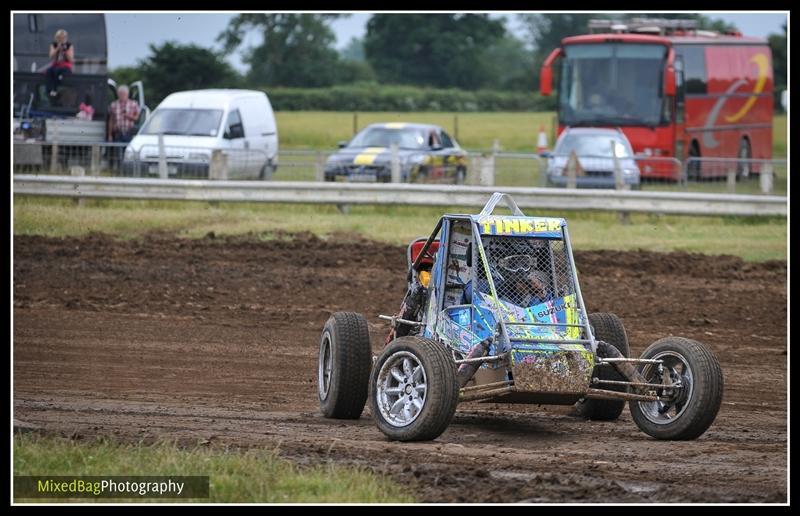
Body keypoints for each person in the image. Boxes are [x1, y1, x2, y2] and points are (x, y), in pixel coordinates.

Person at [108, 85, 141, 171]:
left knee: (128, 152)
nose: (122, 96)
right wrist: (110, 134)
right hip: (118, 132)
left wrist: (128, 116)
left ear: (127, 94)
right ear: (118, 94)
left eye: (124, 94)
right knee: (118, 153)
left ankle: (128, 170)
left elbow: (137, 118)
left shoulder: (133, 104)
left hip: (129, 132)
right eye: (120, 94)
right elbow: (111, 120)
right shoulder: (113, 105)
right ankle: (120, 170)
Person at [46, 29, 74, 97]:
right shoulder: (53, 45)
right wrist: (57, 49)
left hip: (66, 66)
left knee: (58, 72)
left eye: (63, 37)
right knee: (49, 71)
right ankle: (50, 90)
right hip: (56, 65)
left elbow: (70, 59)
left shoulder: (69, 45)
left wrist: (65, 50)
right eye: (59, 38)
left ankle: (56, 89)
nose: (61, 39)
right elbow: (51, 56)